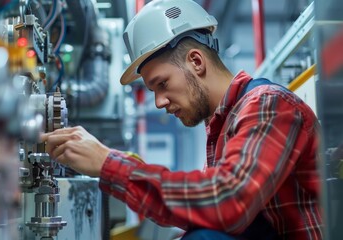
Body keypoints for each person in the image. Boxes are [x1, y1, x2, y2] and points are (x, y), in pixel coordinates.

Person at [40, 0, 323, 239]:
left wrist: (107, 163)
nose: (159, 102)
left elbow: (228, 201)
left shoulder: (268, 104)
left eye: (162, 84)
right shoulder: (224, 123)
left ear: (196, 61)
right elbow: (200, 207)